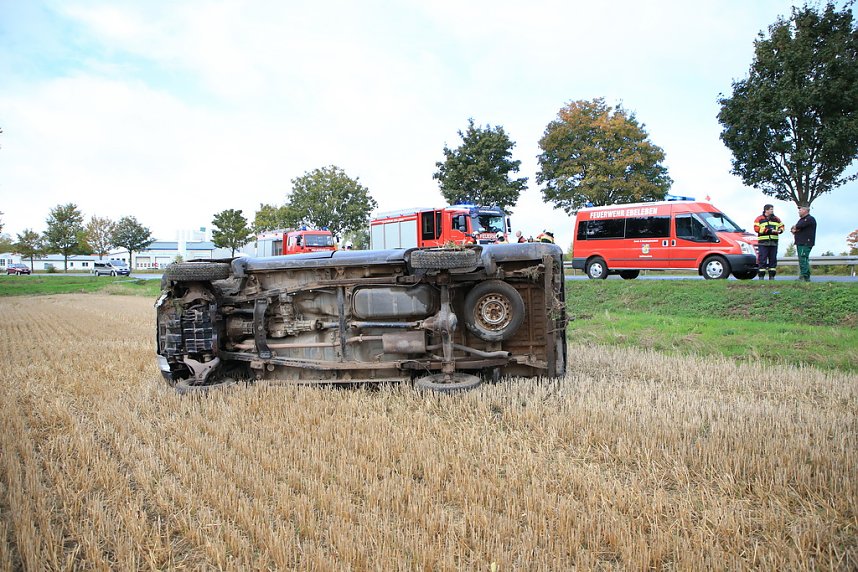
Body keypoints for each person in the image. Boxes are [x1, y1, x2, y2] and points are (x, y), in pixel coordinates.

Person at [753, 204, 784, 279]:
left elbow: (782, 226)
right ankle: (761, 276)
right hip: (763, 242)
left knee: (773, 260)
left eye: (772, 209)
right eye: (771, 209)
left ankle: (772, 276)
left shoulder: (776, 219)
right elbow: (756, 228)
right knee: (762, 260)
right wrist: (769, 231)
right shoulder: (759, 219)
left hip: (774, 243)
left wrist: (780, 230)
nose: (772, 211)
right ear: (766, 210)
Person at [791, 204, 817, 282]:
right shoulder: (802, 219)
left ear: (806, 211)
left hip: (805, 242)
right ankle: (803, 275)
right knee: (801, 259)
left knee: (803, 259)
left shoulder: (809, 219)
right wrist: (794, 229)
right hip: (800, 242)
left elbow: (798, 226)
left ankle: (805, 277)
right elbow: (794, 228)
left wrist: (796, 228)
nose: (799, 211)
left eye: (800, 210)